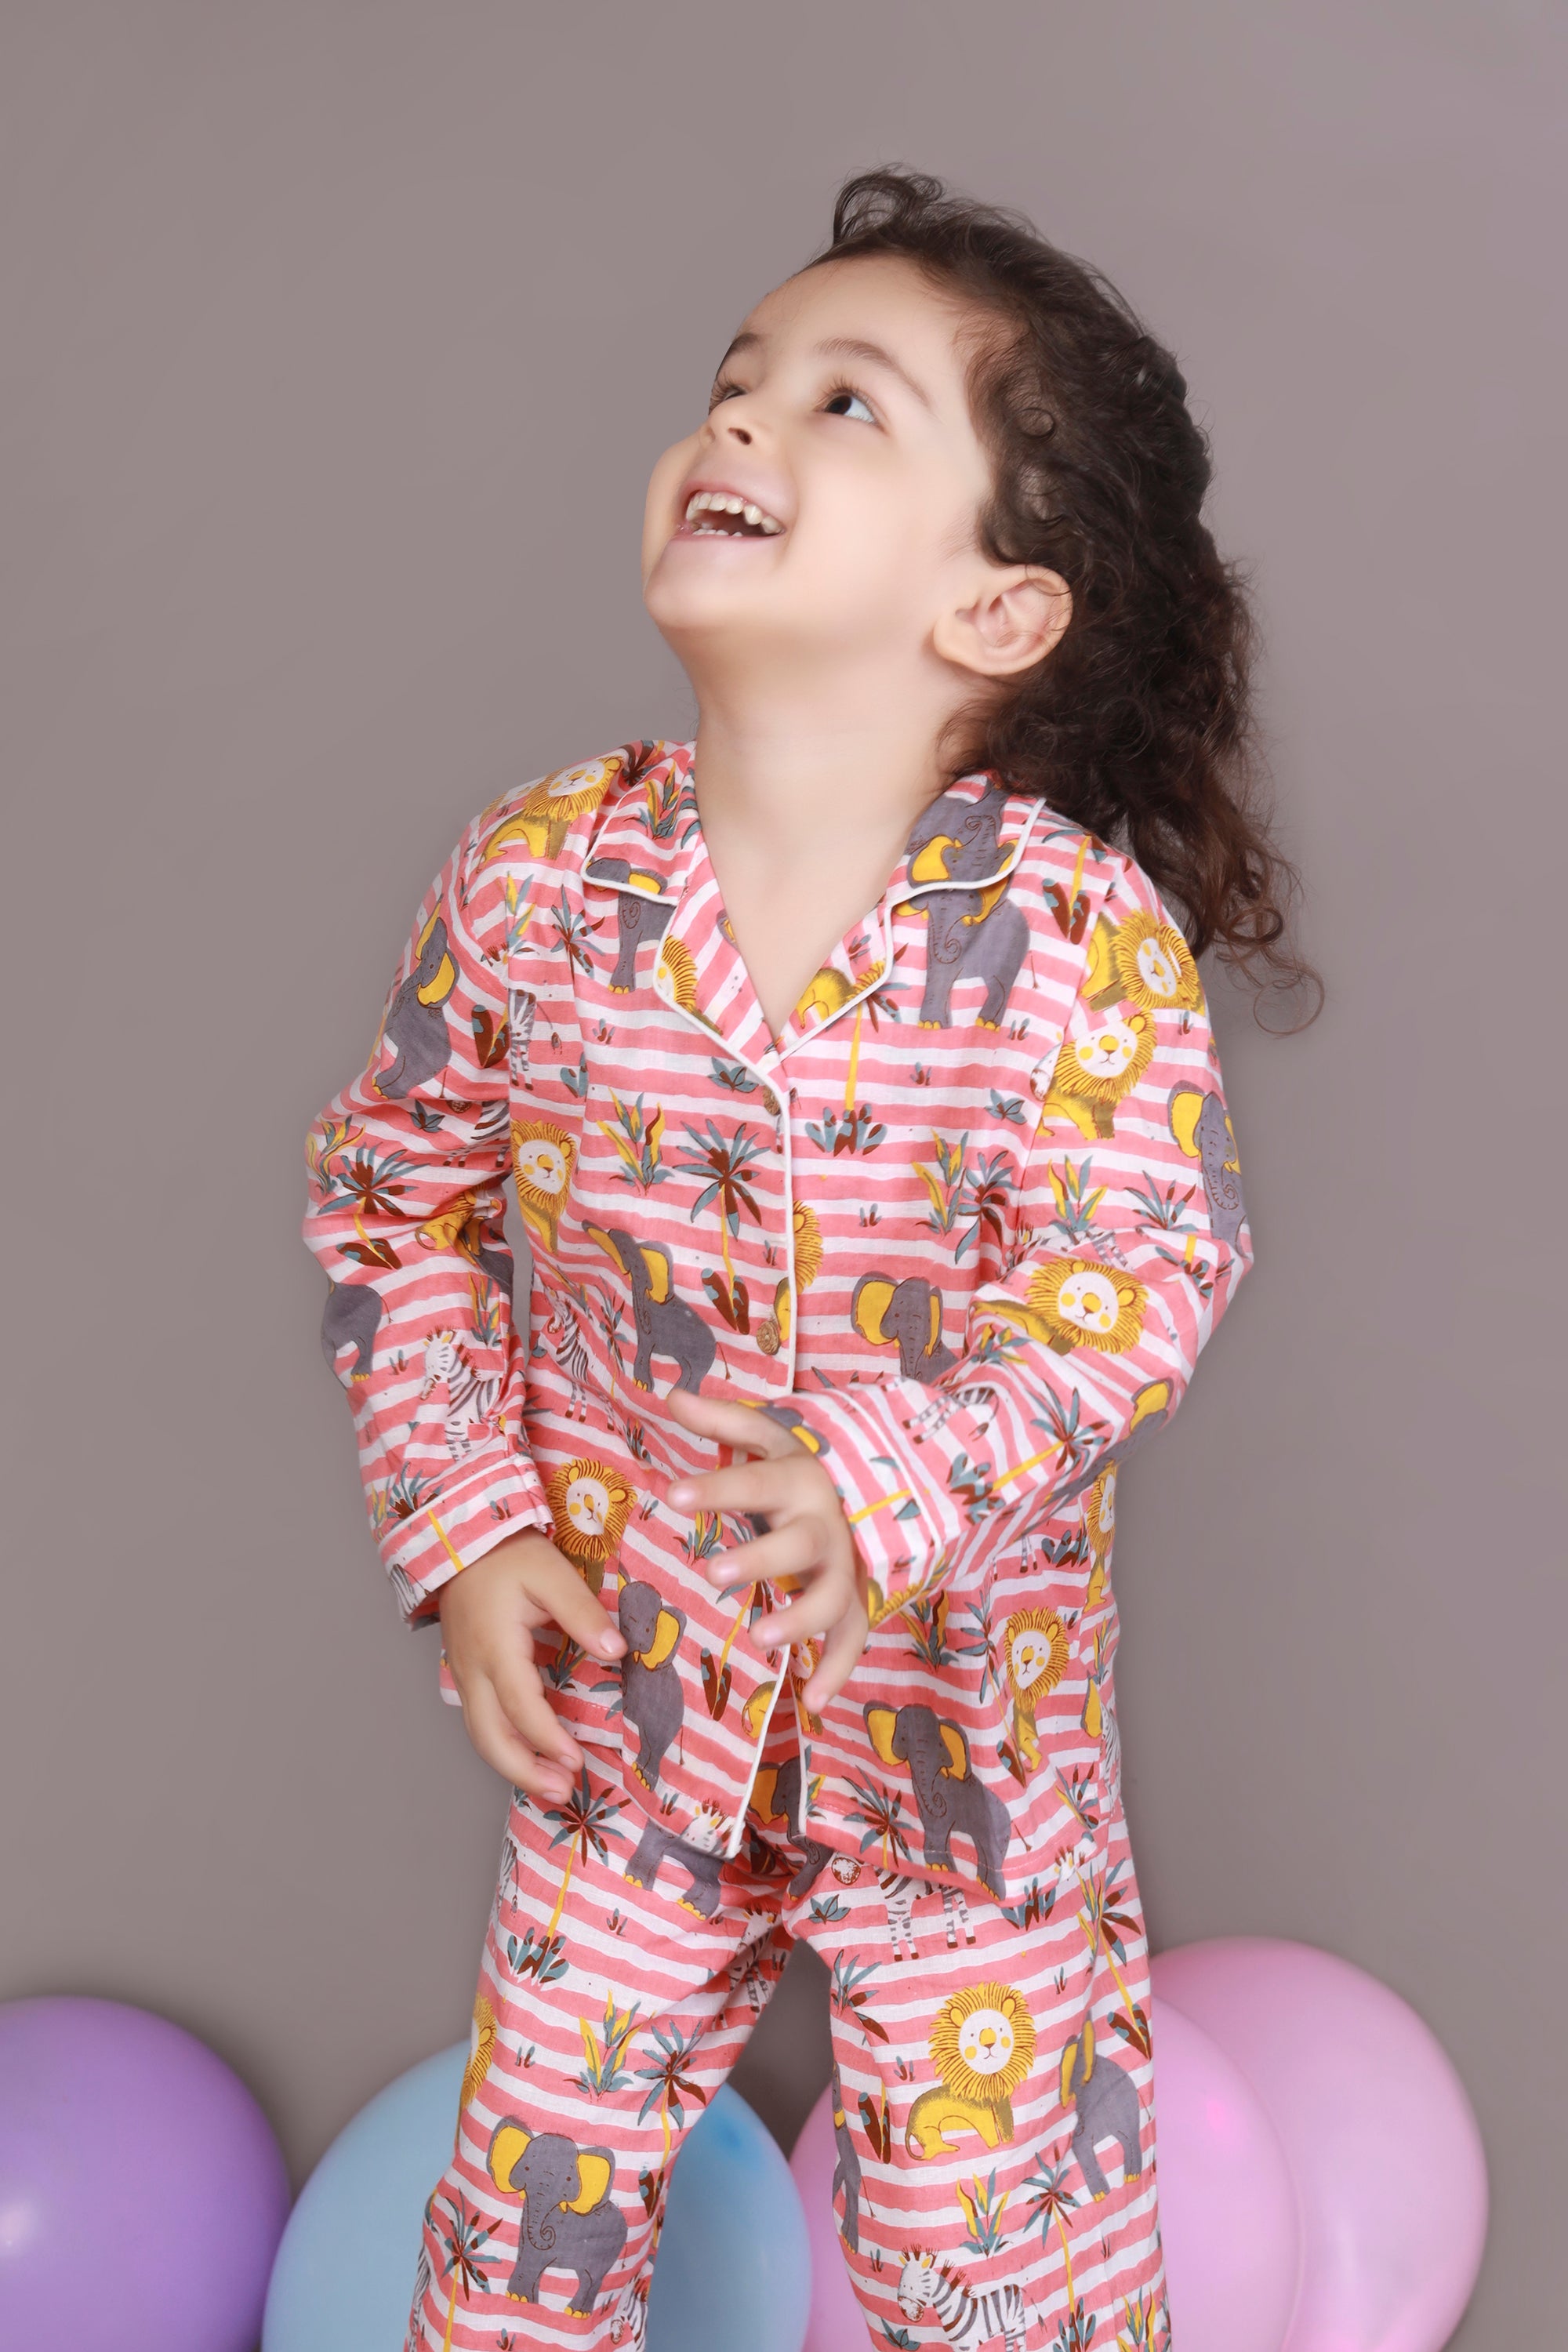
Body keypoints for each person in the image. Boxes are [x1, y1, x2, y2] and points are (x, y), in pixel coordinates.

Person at [303, 167, 1310, 2351]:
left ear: (999, 611)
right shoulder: (535, 881)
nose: (740, 420)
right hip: (628, 1723)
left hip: (965, 1771)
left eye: (847, 403)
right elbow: (394, 1201)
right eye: (735, 380)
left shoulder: (1074, 944)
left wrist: (888, 1479)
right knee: (515, 2260)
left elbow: (1143, 1275)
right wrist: (468, 1531)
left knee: (1009, 2288)